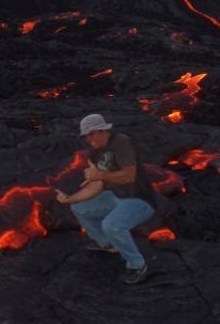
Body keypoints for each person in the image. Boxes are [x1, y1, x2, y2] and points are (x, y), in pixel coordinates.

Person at [55, 113, 156, 284]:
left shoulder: (121, 142)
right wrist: (69, 199)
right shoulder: (96, 154)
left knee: (112, 225)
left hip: (138, 199)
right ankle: (107, 244)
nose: (88, 139)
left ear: (103, 130)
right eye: (86, 135)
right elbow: (96, 186)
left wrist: (99, 174)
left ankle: (137, 266)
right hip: (115, 197)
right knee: (78, 207)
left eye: (91, 133)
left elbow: (130, 176)